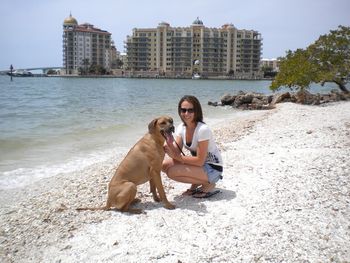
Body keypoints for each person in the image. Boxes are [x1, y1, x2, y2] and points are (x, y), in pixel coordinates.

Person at [162, 95, 223, 198]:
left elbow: (199, 160)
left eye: (190, 110)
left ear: (197, 111)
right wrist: (168, 142)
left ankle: (208, 183)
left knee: (172, 172)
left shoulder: (202, 129)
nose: (186, 113)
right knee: (164, 165)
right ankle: (195, 184)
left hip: (212, 168)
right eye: (183, 110)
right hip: (198, 166)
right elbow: (176, 151)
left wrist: (176, 157)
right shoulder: (181, 128)